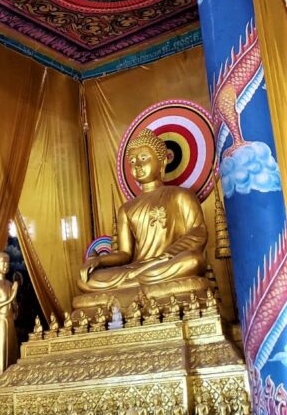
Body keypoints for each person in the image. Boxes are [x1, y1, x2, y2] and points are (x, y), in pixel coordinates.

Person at [77, 129, 207, 304]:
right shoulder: (126, 209)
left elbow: (198, 232)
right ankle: (138, 284)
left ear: (162, 162)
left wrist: (167, 255)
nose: (137, 164)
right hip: (138, 268)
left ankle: (132, 287)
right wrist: (99, 260)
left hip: (165, 263)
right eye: (132, 161)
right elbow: (124, 253)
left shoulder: (180, 195)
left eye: (144, 158)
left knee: (193, 260)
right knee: (86, 280)